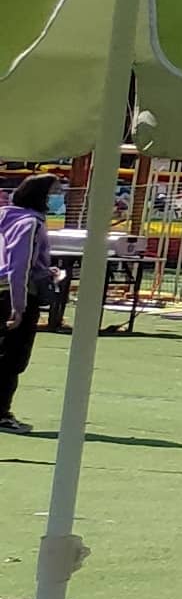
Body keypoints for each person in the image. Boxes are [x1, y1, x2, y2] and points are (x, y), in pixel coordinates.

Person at [0, 178, 55, 434]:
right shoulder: (30, 223)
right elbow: (19, 265)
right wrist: (18, 306)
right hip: (13, 294)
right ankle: (1, 414)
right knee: (12, 358)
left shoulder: (4, 217)